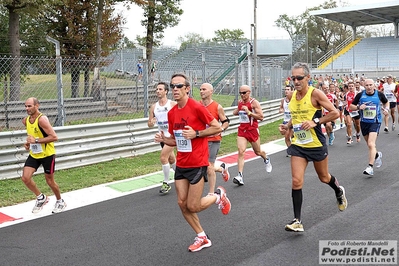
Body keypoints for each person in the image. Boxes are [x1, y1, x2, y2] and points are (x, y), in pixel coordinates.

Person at [154, 73, 231, 252]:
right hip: (182, 163)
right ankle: (202, 236)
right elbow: (175, 140)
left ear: (187, 88)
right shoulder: (172, 113)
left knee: (193, 205)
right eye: (172, 86)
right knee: (182, 204)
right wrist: (164, 139)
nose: (175, 89)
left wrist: (196, 134)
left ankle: (217, 196)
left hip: (197, 162)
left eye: (179, 86)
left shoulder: (196, 107)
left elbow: (217, 127)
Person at [278, 62, 347, 232]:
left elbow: (335, 113)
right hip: (299, 145)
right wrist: (287, 126)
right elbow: (297, 116)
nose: (295, 81)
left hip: (316, 144)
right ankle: (297, 221)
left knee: (323, 177)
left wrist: (315, 121)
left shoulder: (315, 93)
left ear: (308, 78)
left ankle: (338, 190)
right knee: (296, 181)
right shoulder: (293, 95)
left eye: (299, 78)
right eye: (292, 78)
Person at [22, 97, 67, 214]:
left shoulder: (42, 119)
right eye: (26, 106)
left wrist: (35, 141)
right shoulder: (26, 120)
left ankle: (60, 201)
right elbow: (32, 135)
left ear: (37, 106)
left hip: (47, 155)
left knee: (50, 181)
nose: (27, 108)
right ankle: (41, 197)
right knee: (25, 178)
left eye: (29, 106)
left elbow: (54, 137)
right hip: (35, 155)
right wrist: (28, 144)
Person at [232, 85, 272, 185]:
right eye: (240, 93)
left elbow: (261, 117)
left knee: (257, 152)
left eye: (244, 93)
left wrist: (249, 113)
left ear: (249, 92)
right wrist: (237, 111)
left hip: (252, 130)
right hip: (242, 130)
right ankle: (240, 175)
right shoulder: (240, 103)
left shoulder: (254, 102)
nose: (242, 95)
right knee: (241, 151)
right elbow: (237, 112)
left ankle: (266, 159)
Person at [350, 78, 388, 176]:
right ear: (364, 86)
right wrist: (359, 107)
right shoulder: (360, 95)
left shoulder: (379, 94)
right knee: (369, 145)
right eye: (367, 85)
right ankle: (377, 155)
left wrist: (386, 109)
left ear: (374, 85)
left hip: (375, 122)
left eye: (371, 85)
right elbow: (351, 107)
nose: (369, 87)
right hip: (364, 122)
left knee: (371, 144)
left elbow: (386, 102)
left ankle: (370, 167)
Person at [199, 83, 230, 195]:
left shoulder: (217, 107)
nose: (201, 91)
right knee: (201, 165)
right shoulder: (197, 106)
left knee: (209, 166)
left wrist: (220, 129)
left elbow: (226, 122)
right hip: (200, 139)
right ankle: (222, 169)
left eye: (204, 89)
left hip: (213, 140)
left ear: (211, 91)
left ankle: (211, 193)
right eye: (200, 89)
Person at [148, 82, 177, 194]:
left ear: (166, 91)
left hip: (171, 135)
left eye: (160, 89)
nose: (158, 91)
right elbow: (149, 124)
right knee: (171, 159)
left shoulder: (172, 104)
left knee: (163, 157)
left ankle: (166, 183)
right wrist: (152, 122)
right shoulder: (154, 107)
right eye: (157, 89)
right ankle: (182, 176)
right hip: (162, 136)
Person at [279, 84, 295, 155]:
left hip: (294, 121)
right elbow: (281, 107)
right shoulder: (283, 100)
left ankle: (295, 150)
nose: (286, 91)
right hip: (286, 120)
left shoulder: (295, 100)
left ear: (292, 90)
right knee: (286, 137)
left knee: (293, 136)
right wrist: (281, 110)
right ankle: (291, 151)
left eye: (288, 89)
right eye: (285, 89)